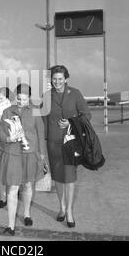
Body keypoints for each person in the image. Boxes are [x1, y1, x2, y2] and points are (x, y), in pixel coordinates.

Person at [0, 83, 48, 235]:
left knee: (27, 185)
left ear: (29, 98)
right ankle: (10, 225)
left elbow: (40, 134)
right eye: (19, 99)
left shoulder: (35, 111)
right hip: (12, 154)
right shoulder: (6, 111)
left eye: (24, 100)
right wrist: (8, 138)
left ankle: (26, 213)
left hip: (30, 153)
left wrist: (42, 155)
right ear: (15, 97)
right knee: (12, 188)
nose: (21, 102)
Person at [45, 65, 91, 228]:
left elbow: (87, 115)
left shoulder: (75, 93)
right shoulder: (46, 96)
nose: (56, 82)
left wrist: (71, 121)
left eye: (60, 79)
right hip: (52, 142)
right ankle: (62, 208)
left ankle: (70, 211)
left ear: (66, 79)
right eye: (54, 79)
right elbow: (42, 120)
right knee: (57, 177)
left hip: (71, 142)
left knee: (70, 177)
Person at [0, 87, 13, 209]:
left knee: (11, 170)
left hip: (11, 143)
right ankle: (2, 197)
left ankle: (12, 194)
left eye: (2, 98)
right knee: (1, 171)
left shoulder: (13, 110)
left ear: (7, 99)